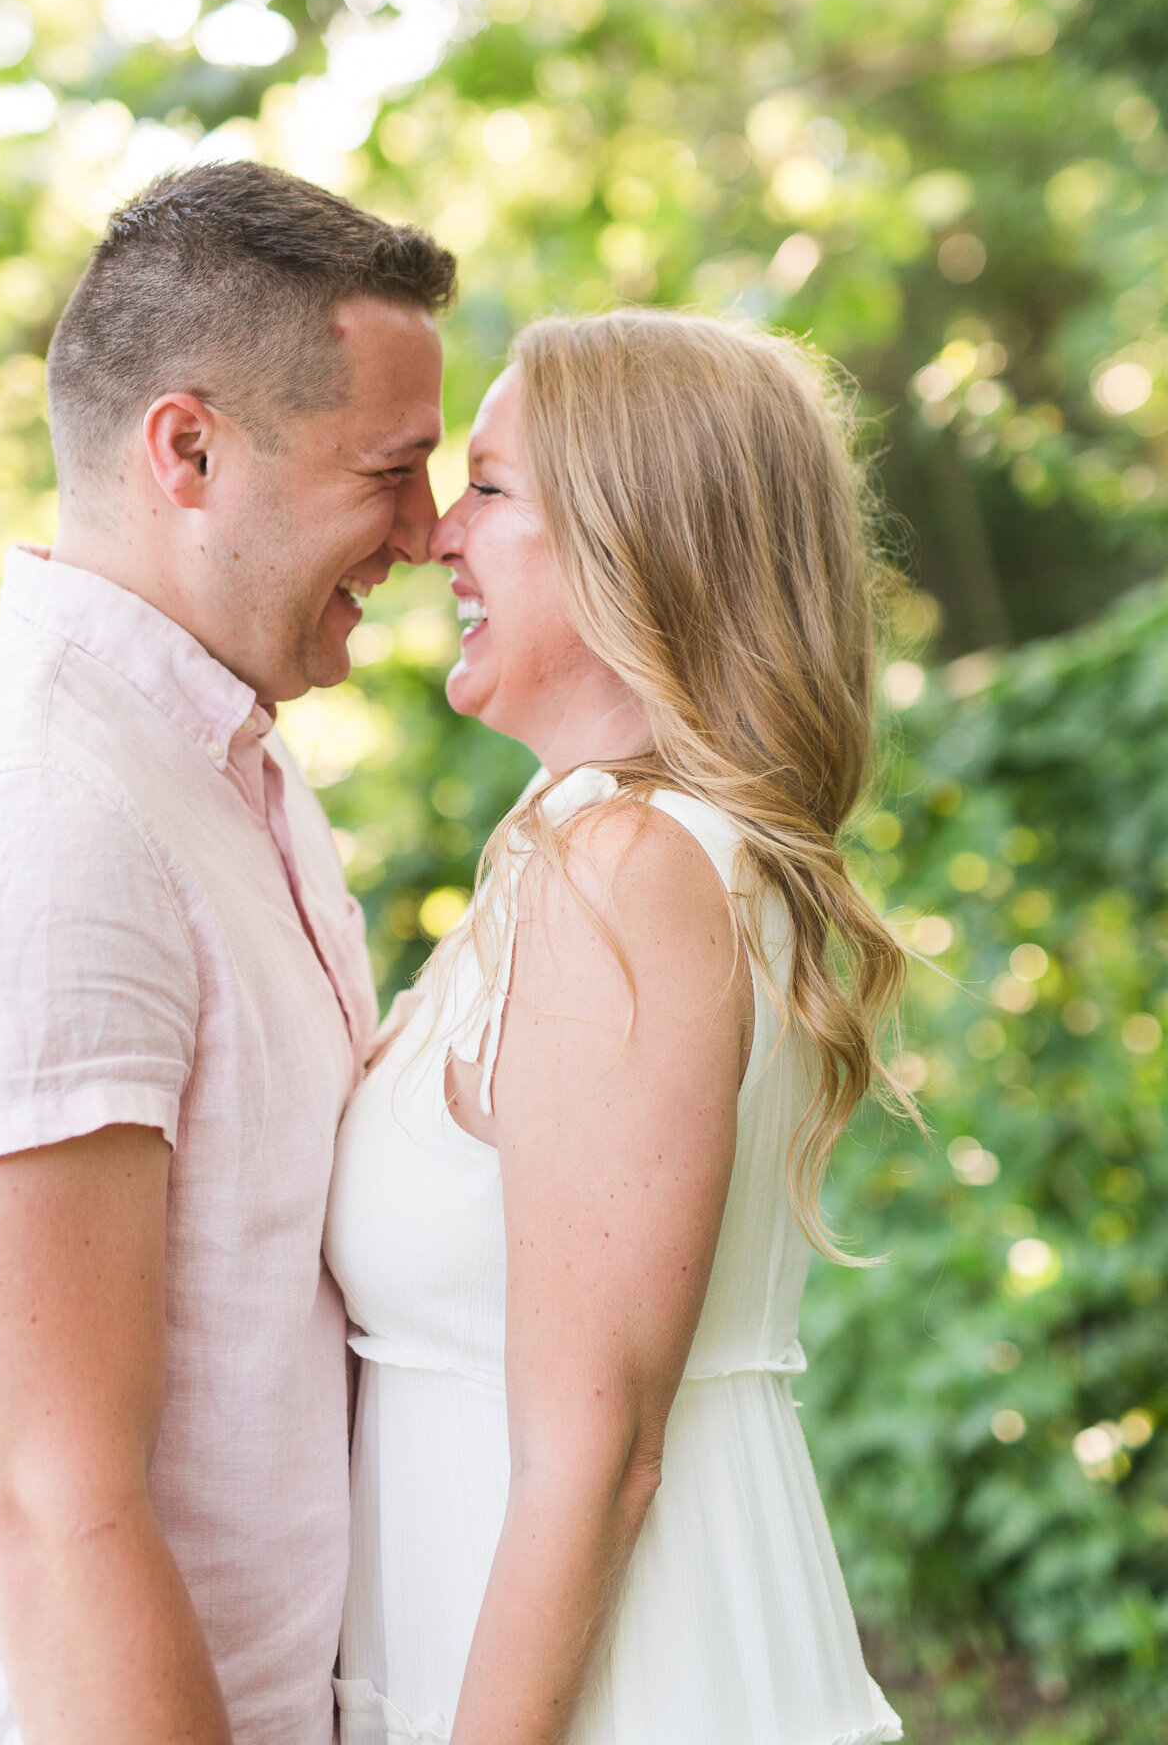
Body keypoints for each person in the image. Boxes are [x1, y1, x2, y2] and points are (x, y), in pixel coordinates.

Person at [0, 160, 454, 1745]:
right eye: (390, 470)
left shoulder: (225, 774)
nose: (428, 533)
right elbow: (57, 1512)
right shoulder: (36, 815)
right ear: (188, 450)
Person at [326, 309, 912, 1745]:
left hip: (629, 1695)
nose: (435, 537)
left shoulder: (632, 871)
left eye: (492, 488)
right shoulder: (580, 843)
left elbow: (599, 1456)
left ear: (634, 540)